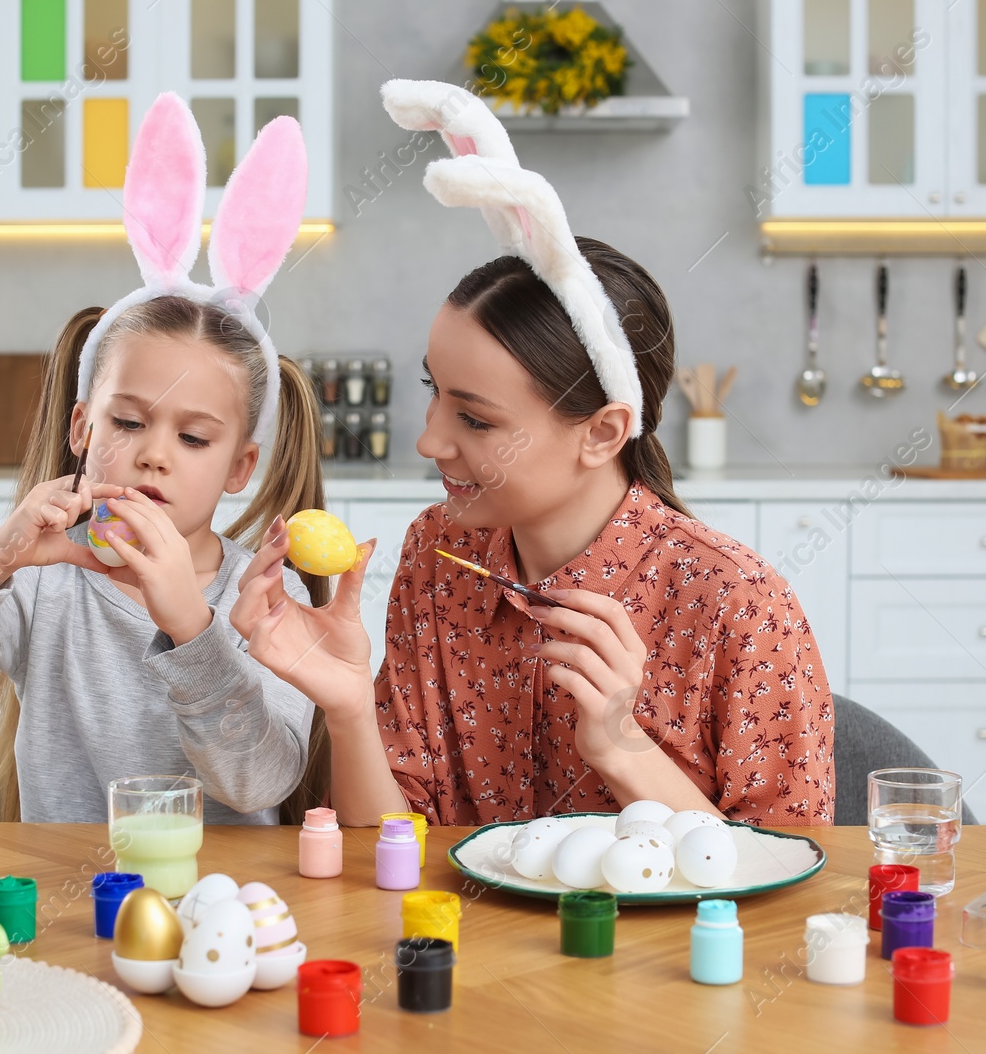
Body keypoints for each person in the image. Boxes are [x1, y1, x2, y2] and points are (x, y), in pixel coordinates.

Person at [230, 80, 835, 827]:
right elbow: (388, 848)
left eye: (476, 420)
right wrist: (351, 705)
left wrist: (620, 745)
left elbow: (787, 877)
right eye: (435, 391)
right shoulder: (437, 554)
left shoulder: (738, 607)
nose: (428, 440)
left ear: (604, 432)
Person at [0, 94, 329, 823]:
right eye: (129, 421)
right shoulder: (41, 584)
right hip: (67, 913)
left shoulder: (262, 600)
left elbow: (258, 783)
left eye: (194, 437)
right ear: (81, 427)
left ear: (241, 466)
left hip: (221, 913)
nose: (153, 456)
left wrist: (191, 626)